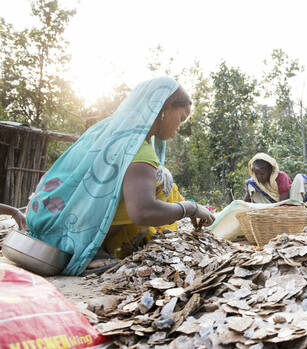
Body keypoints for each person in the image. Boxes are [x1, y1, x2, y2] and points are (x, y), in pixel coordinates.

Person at [25, 77, 215, 275]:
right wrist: (190, 208)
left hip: (50, 223)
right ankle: (93, 250)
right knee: (162, 177)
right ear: (164, 109)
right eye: (180, 118)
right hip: (71, 237)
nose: (179, 127)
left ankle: (96, 243)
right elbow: (142, 211)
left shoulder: (107, 131)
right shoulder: (138, 150)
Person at [243, 153, 307, 207]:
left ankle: (297, 211)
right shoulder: (254, 184)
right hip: (268, 208)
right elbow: (245, 203)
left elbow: (284, 203)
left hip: (289, 206)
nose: (259, 177)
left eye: (262, 174)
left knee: (300, 177)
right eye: (256, 174)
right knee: (250, 184)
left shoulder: (281, 177)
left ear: (270, 171)